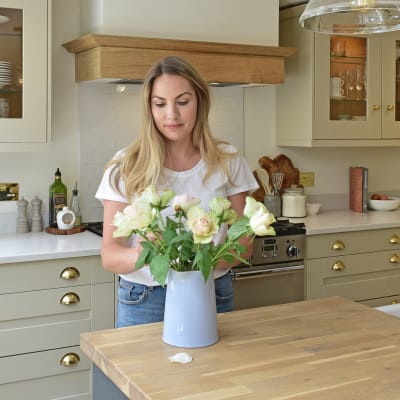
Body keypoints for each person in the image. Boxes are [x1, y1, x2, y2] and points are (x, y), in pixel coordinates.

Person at [95, 55, 259, 328]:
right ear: (149, 108)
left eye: (183, 102)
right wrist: (145, 255)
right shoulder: (126, 166)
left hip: (212, 292)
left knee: (215, 371)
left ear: (200, 102)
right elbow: (110, 255)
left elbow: (244, 243)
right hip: (145, 299)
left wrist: (206, 260)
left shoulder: (228, 161)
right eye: (160, 104)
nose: (171, 114)